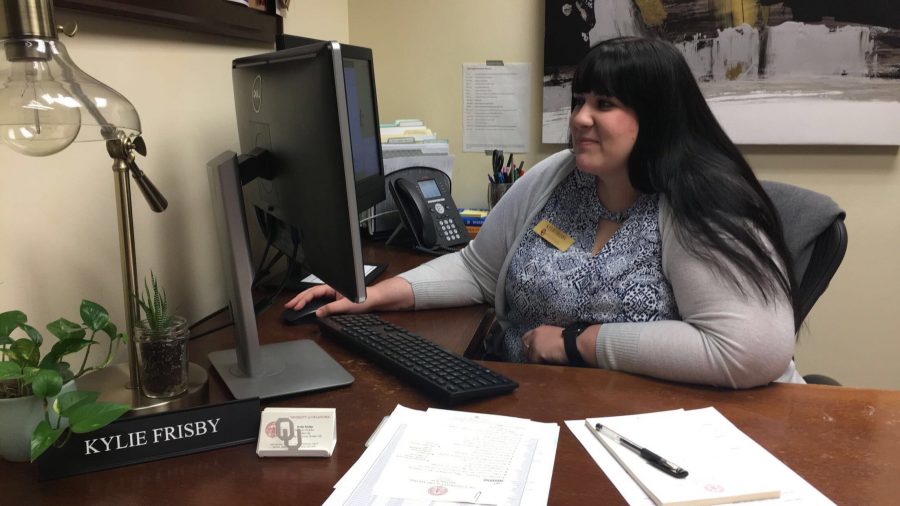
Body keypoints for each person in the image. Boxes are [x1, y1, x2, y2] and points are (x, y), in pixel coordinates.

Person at [286, 37, 800, 389]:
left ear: (659, 117)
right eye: (578, 101)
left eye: (604, 103)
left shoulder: (699, 200)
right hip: (536, 399)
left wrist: (579, 345)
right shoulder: (558, 175)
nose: (579, 119)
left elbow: (749, 349)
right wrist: (368, 295)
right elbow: (476, 268)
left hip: (648, 425)